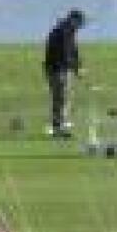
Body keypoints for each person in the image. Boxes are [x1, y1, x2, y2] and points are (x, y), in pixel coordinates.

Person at [43, 9, 85, 138]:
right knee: (60, 98)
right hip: (57, 70)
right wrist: (76, 69)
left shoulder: (67, 31)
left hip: (59, 69)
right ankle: (58, 127)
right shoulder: (63, 32)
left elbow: (74, 50)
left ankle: (61, 123)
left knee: (62, 98)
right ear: (73, 20)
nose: (81, 26)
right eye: (80, 22)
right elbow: (66, 54)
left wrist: (77, 66)